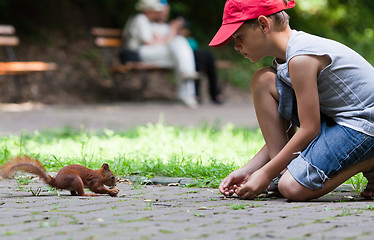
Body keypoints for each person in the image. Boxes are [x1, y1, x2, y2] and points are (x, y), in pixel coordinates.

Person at [209, 0, 374, 201]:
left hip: (364, 125)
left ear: (263, 25)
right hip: (338, 121)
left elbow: (309, 129)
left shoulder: (301, 57)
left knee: (292, 188)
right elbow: (304, 127)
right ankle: (282, 171)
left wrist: (265, 173)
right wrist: (251, 169)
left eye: (239, 37)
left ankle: (369, 162)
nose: (236, 46)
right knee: (263, 81)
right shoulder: (286, 59)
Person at [122, 0, 198, 108]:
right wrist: (172, 30)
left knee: (179, 54)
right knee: (179, 45)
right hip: (136, 54)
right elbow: (150, 43)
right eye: (155, 10)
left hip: (146, 52)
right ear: (148, 10)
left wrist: (170, 34)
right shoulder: (140, 19)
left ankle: (186, 93)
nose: (158, 12)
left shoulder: (147, 22)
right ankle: (187, 88)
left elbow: (158, 41)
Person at [180, 21, 224, 104]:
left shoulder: (191, 40)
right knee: (199, 59)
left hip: (197, 59)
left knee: (208, 56)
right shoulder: (177, 40)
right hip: (189, 60)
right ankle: (196, 93)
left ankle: (214, 93)